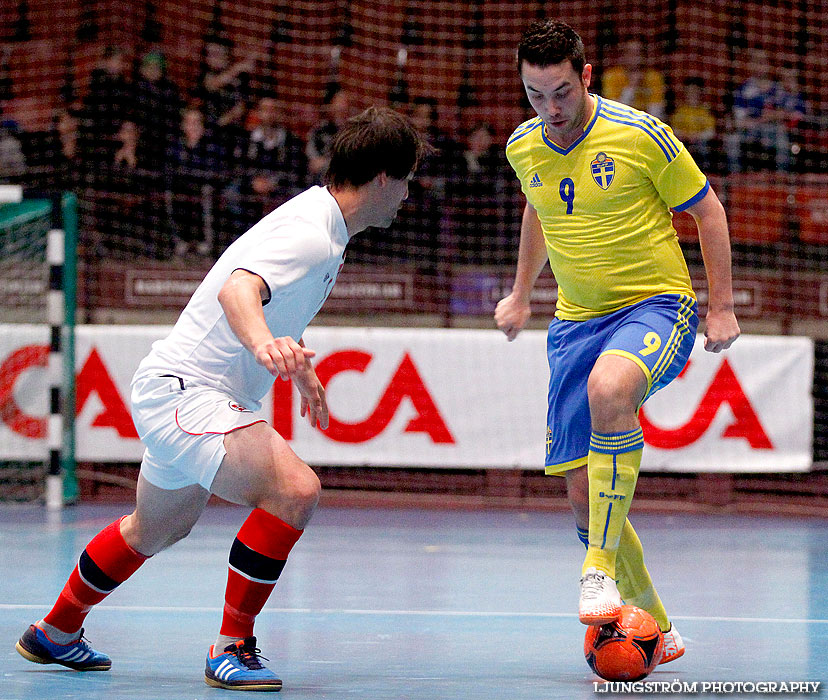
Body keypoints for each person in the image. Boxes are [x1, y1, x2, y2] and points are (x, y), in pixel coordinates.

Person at [15, 105, 431, 691]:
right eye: (408, 180)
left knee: (154, 529)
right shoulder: (312, 233)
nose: (409, 195)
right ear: (383, 178)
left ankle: (54, 632)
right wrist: (263, 345)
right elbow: (241, 289)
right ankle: (232, 645)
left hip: (177, 395)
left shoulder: (327, 229)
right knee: (295, 489)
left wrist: (299, 363)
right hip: (191, 395)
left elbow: (275, 298)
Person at [495, 19, 740, 666]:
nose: (549, 110)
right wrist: (521, 293)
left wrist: (721, 307)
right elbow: (537, 210)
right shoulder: (525, 146)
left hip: (656, 306)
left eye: (560, 94)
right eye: (533, 94)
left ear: (585, 77)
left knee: (611, 389)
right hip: (575, 323)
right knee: (581, 493)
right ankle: (660, 626)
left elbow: (707, 210)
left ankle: (598, 568)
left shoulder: (639, 135)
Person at [601, 38, 666, 120]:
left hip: (645, 124)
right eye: (630, 52)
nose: (634, 56)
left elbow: (656, 112)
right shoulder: (611, 75)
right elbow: (614, 112)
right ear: (623, 55)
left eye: (638, 52)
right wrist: (631, 87)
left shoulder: (653, 76)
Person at [671, 77, 717, 173]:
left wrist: (696, 136)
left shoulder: (705, 111)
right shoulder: (680, 111)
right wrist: (686, 136)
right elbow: (673, 131)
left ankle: (705, 173)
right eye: (689, 92)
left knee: (703, 147)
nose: (692, 95)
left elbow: (710, 133)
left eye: (695, 92)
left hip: (700, 142)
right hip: (684, 142)